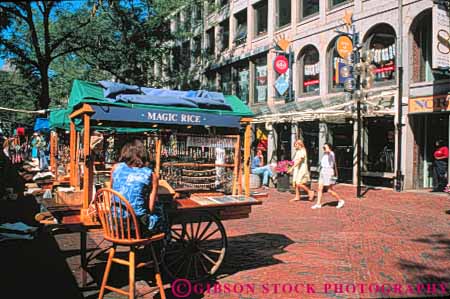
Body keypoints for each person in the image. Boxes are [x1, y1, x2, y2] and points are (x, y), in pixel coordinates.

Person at [111, 139, 163, 236]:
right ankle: (159, 249)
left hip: (115, 226)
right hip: (136, 229)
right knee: (161, 215)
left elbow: (111, 191)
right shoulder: (150, 175)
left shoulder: (115, 168)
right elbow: (151, 208)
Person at [311, 143, 345, 209]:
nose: (324, 148)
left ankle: (340, 200)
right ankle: (318, 204)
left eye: (325, 147)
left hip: (328, 171)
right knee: (319, 188)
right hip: (323, 171)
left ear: (329, 148)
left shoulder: (331, 153)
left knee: (329, 190)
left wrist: (327, 149)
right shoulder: (324, 154)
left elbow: (329, 152)